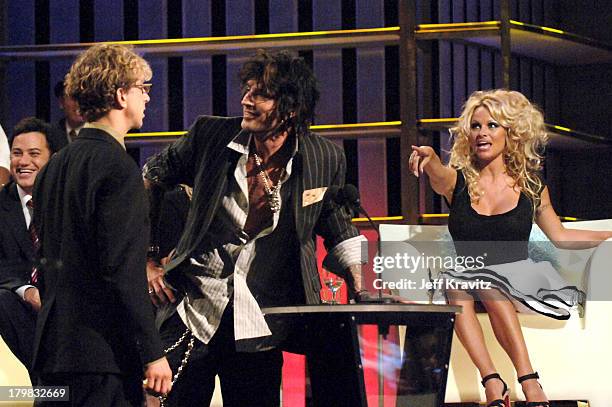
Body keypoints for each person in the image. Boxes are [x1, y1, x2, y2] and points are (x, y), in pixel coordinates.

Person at [143, 49, 365, 406]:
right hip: (194, 311)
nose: (246, 100)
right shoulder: (210, 135)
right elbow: (151, 177)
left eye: (260, 94)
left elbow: (336, 220)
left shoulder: (324, 157)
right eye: (247, 90)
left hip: (261, 320)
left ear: (291, 108)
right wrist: (148, 259)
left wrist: (360, 285)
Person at [409, 89, 612, 407]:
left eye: (492, 125)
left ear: (511, 132)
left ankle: (528, 379)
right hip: (471, 281)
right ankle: (492, 380)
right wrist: (431, 159)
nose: (482, 134)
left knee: (486, 280)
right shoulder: (457, 183)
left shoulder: (531, 186)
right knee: (457, 282)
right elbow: (437, 175)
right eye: (475, 127)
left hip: (524, 281)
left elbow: (560, 236)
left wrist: (609, 235)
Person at [32, 44, 172, 406]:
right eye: (144, 89)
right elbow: (123, 272)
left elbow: (45, 263)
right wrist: (152, 352)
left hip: (52, 352)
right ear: (121, 94)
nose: (147, 99)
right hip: (101, 358)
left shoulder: (53, 167)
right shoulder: (119, 168)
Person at [0, 117, 57, 380]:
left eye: (34, 154)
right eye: (16, 154)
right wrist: (28, 291)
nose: (23, 162)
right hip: (17, 310)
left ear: (53, 158)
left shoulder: (67, 203)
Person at [51, 80, 85, 149]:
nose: (79, 103)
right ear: (61, 102)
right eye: (73, 97)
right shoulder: (50, 135)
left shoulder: (99, 135)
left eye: (83, 97)